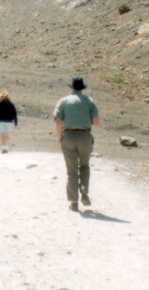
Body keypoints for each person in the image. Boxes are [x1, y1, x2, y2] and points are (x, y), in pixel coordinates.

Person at [54, 77, 99, 212]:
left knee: (72, 170)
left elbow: (58, 121)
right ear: (82, 88)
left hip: (69, 136)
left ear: (72, 87)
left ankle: (74, 202)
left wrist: (61, 137)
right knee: (84, 165)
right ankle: (84, 191)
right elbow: (96, 122)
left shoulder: (63, 101)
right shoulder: (89, 101)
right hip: (85, 136)